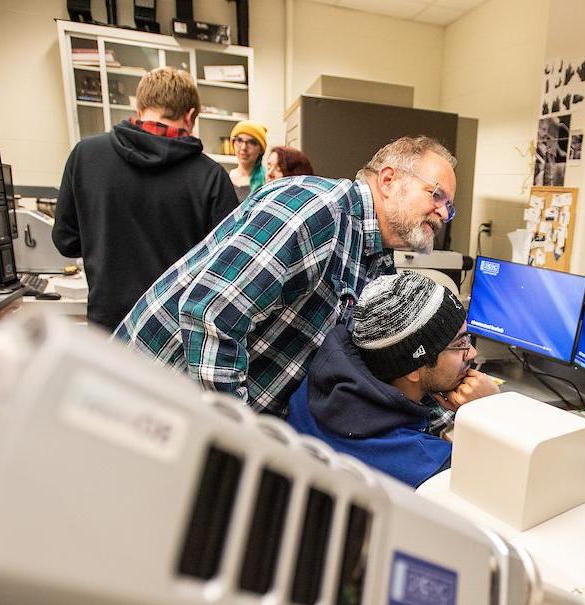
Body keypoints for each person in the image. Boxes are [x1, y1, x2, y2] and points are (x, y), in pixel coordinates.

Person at [115, 135, 458, 418]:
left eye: (450, 206)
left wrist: (455, 409)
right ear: (388, 180)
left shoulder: (377, 258)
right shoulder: (316, 210)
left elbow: (375, 364)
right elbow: (211, 315)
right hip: (149, 403)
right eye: (437, 194)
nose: (444, 213)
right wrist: (235, 436)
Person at [52, 67, 237, 332]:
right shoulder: (210, 176)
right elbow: (227, 265)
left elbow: (66, 241)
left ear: (139, 109)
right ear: (191, 115)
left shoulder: (86, 156)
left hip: (109, 328)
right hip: (174, 335)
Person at [287, 272, 499, 487]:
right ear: (413, 369)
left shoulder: (314, 388)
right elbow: (504, 485)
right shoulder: (427, 464)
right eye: (459, 343)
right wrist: (491, 412)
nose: (471, 352)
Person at [228, 120, 268, 202]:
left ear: (261, 149)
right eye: (239, 140)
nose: (243, 147)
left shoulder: (267, 181)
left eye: (251, 142)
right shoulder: (224, 179)